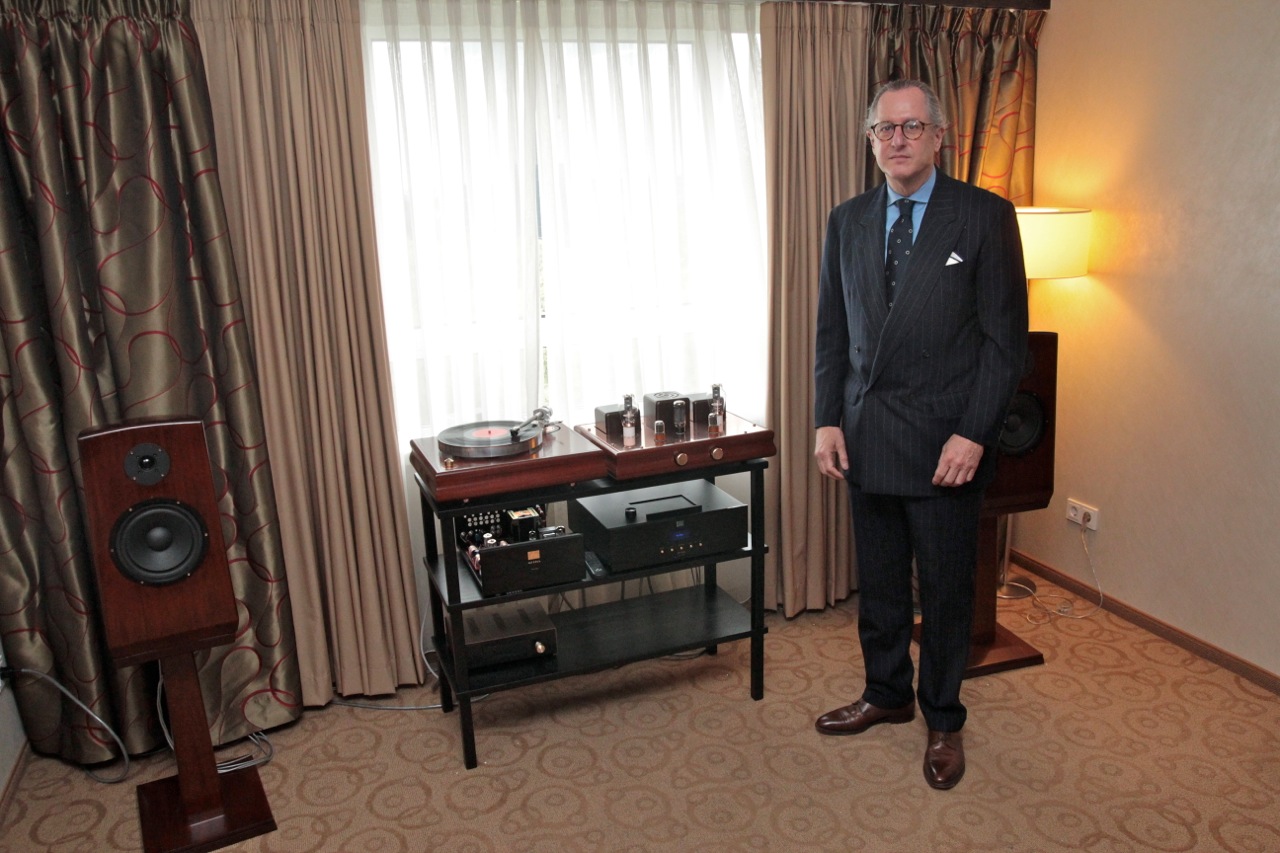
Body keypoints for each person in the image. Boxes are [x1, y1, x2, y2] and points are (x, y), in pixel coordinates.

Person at [811, 79, 1028, 790]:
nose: (897, 139)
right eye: (885, 128)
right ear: (871, 140)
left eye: (911, 126)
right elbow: (832, 332)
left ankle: (942, 717)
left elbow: (1004, 344)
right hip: (867, 435)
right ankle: (886, 692)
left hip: (945, 446)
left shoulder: (984, 216)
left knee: (944, 591)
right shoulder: (846, 220)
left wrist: (974, 433)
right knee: (878, 585)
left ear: (939, 136)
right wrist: (826, 418)